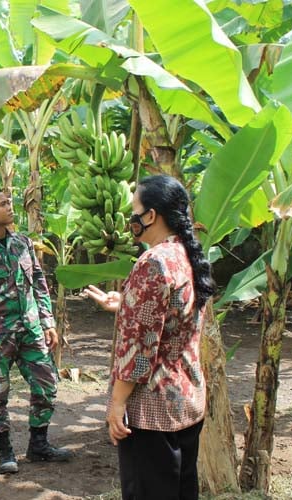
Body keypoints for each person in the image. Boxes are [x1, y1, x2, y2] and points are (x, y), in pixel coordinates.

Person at [83, 175, 215, 500]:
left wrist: (117, 403)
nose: (131, 220)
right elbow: (173, 316)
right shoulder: (187, 255)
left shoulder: (153, 262)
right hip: (188, 400)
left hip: (153, 410)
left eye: (134, 211)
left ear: (151, 216)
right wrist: (124, 305)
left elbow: (140, 350)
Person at [0, 186, 71, 474]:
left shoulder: (23, 243)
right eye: (2, 204)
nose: (10, 207)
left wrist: (47, 321)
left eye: (9, 202)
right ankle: (5, 451)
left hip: (31, 330)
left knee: (46, 386)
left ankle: (38, 444)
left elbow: (39, 283)